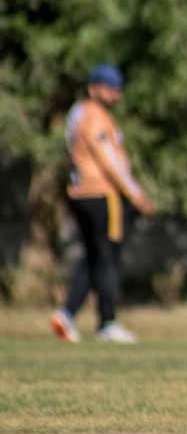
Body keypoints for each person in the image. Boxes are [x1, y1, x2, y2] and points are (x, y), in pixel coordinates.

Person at [50, 64, 155, 344]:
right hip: (102, 194)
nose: (115, 95)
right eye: (110, 89)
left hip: (79, 193)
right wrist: (135, 194)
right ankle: (107, 321)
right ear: (93, 88)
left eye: (118, 89)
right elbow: (109, 159)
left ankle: (66, 314)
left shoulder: (77, 114)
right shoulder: (96, 116)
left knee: (93, 257)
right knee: (108, 258)